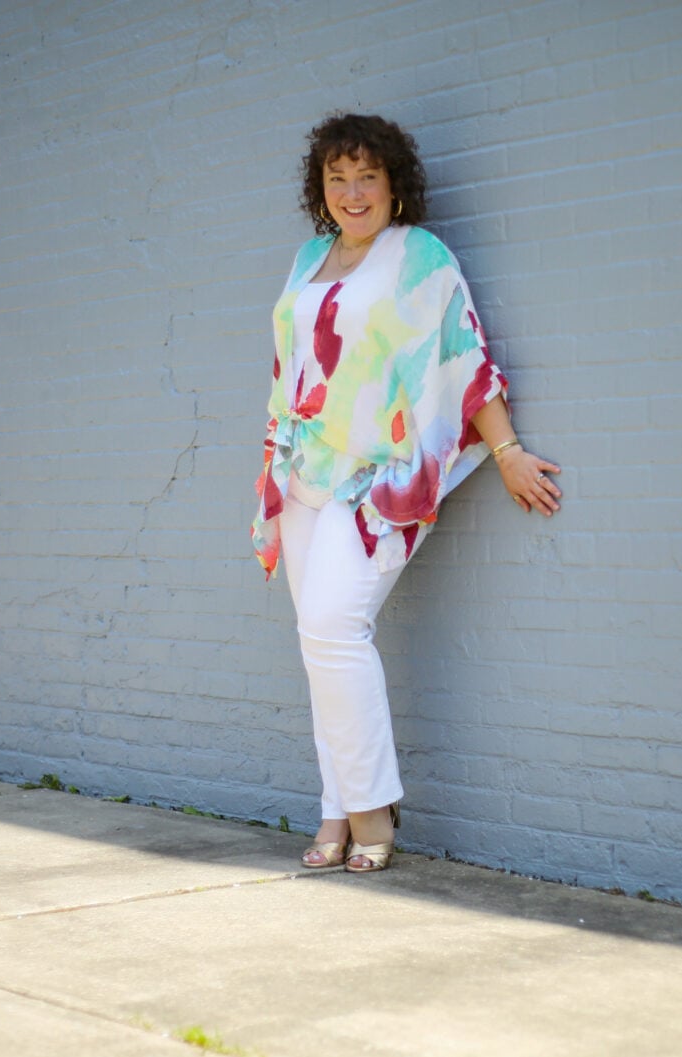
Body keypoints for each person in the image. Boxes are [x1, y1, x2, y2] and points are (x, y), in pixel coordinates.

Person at [252, 113, 561, 873]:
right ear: (320, 189)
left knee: (331, 623)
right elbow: (289, 367)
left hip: (380, 476)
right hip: (302, 473)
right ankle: (336, 806)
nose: (353, 192)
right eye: (338, 178)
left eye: (367, 177)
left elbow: (461, 350)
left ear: (395, 185)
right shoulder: (307, 258)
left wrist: (508, 449)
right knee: (317, 644)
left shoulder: (418, 255)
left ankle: (369, 807)